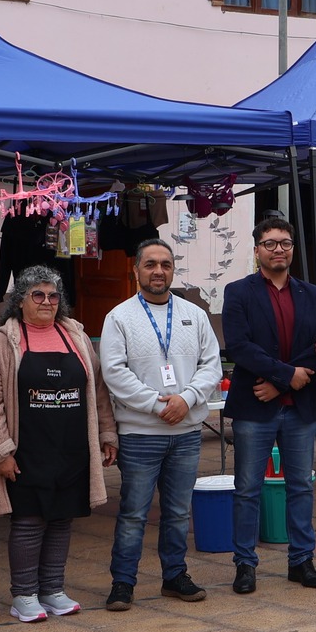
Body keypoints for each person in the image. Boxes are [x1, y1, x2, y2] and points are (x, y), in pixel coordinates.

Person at [0, 267, 117, 622]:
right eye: (38, 295)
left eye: (53, 296)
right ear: (20, 301)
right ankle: (23, 595)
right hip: (27, 450)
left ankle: (53, 589)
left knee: (61, 519)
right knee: (29, 521)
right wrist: (1, 450)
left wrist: (106, 434)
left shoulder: (76, 337)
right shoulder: (4, 341)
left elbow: (98, 392)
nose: (47, 302)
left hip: (71, 446)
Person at [100, 239, 219, 609]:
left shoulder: (194, 314)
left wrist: (187, 399)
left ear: (172, 270)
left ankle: (174, 576)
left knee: (179, 511)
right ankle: (123, 583)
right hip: (140, 433)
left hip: (185, 432)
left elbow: (211, 364)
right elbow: (114, 373)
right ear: (136, 270)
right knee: (134, 512)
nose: (158, 271)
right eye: (150, 264)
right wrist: (157, 405)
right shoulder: (119, 317)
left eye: (165, 264)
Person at [220, 215, 316, 595]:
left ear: (292, 250)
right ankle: (245, 564)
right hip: (255, 404)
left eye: (285, 242)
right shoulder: (238, 292)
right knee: (247, 488)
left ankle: (302, 561)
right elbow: (239, 346)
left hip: (300, 406)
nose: (278, 249)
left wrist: (291, 377)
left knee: (300, 486)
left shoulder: (312, 293)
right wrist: (286, 375)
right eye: (270, 243)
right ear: (257, 250)